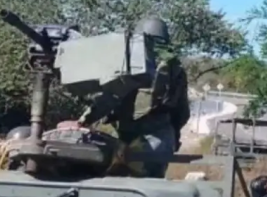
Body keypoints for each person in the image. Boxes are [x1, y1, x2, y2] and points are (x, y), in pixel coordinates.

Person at [56, 17, 188, 179]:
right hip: (161, 136)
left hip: (129, 136)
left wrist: (82, 122)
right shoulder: (176, 66)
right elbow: (182, 111)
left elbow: (112, 96)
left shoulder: (135, 60)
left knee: (116, 187)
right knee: (150, 187)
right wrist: (174, 137)